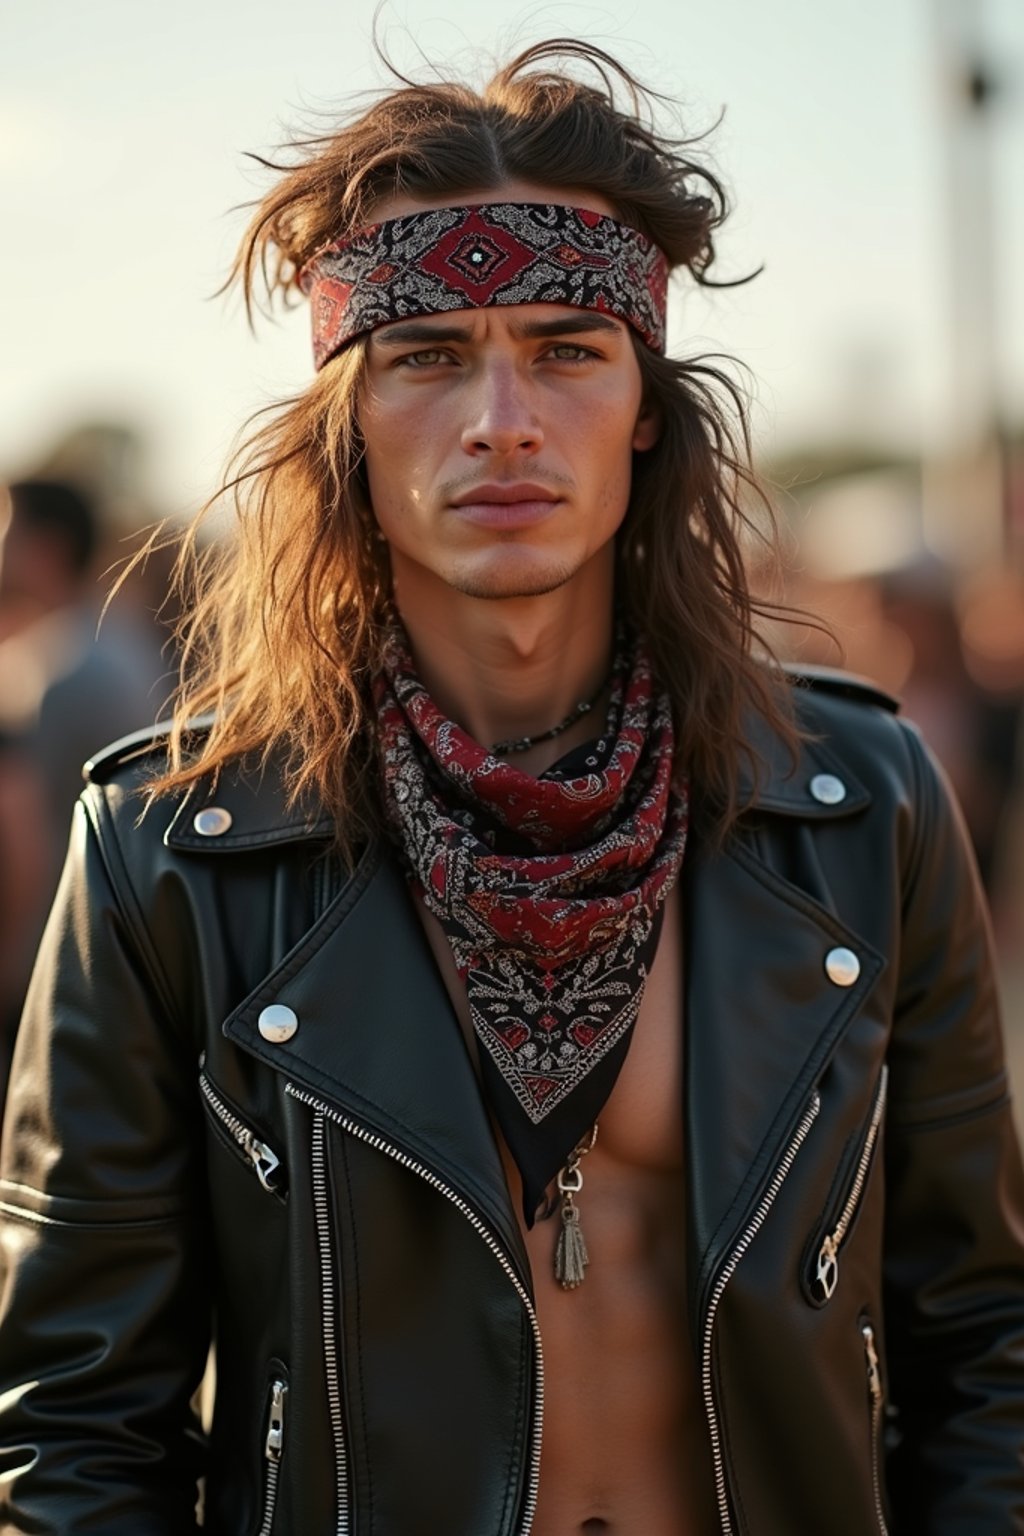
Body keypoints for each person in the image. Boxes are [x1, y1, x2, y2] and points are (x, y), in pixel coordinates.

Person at [1, 40, 1023, 1536]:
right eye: (425, 356)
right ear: (347, 418)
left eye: (565, 346)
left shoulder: (858, 804)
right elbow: (77, 1419)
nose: (501, 420)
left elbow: (981, 1342)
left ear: (648, 406)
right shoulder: (175, 848)